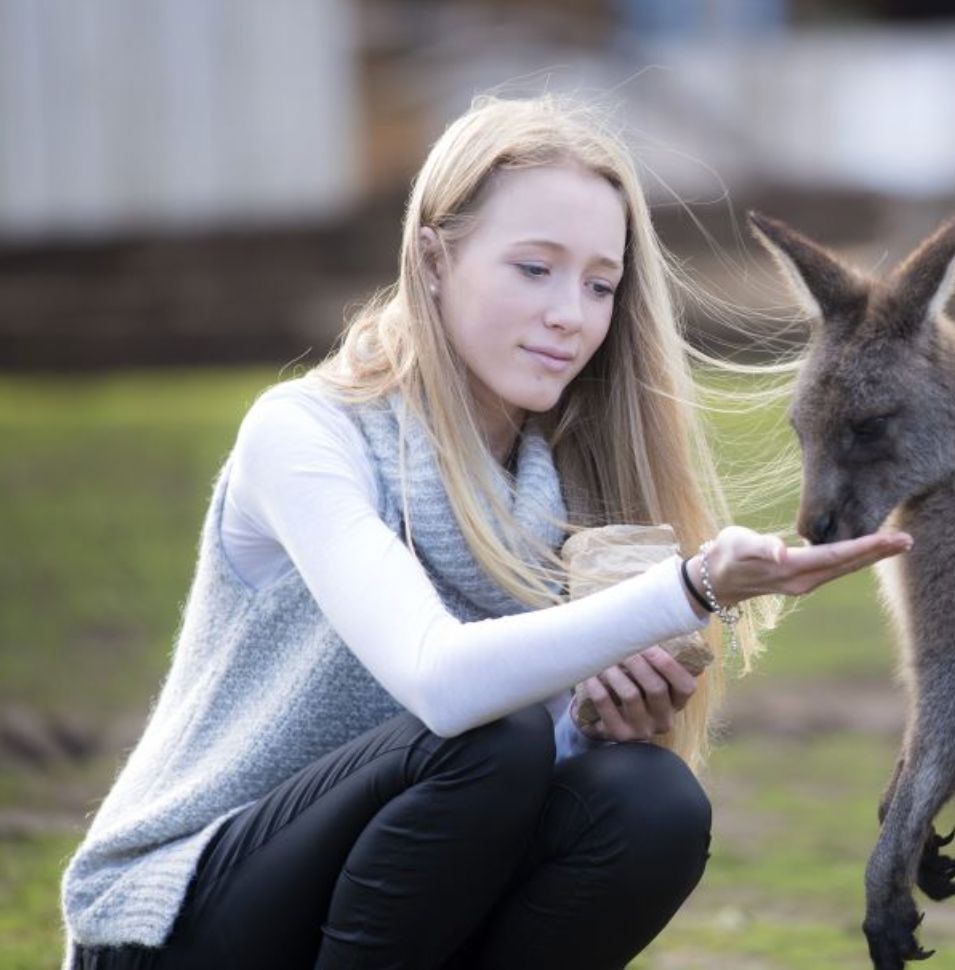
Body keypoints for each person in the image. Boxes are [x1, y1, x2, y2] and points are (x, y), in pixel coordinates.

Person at [59, 94, 912, 969]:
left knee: (649, 801)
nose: (569, 315)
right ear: (434, 258)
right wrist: (689, 589)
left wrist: (593, 725)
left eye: (599, 284)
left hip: (373, 914)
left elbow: (485, 791)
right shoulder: (307, 435)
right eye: (534, 269)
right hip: (174, 925)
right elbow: (442, 685)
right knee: (487, 743)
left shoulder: (577, 489)